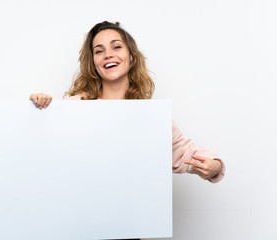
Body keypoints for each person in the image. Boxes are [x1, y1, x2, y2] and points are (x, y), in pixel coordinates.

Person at [29, 21, 225, 183]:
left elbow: (185, 153)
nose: (108, 55)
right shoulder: (75, 107)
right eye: (99, 51)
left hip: (130, 223)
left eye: (116, 47)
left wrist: (214, 166)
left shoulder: (151, 116)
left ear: (130, 57)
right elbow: (44, 153)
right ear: (94, 63)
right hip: (80, 220)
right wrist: (39, 110)